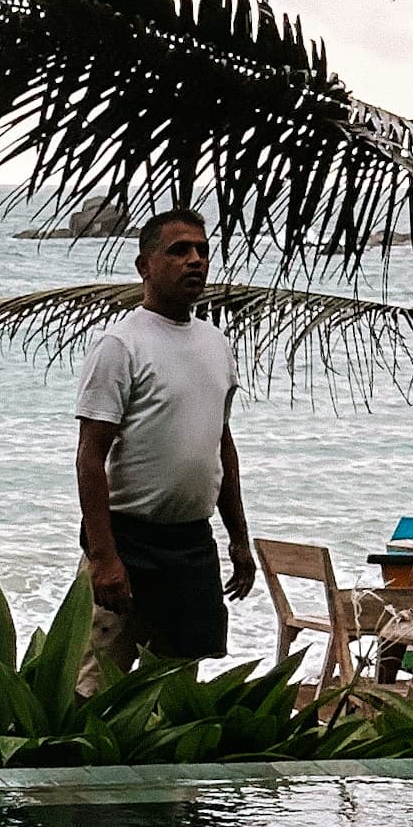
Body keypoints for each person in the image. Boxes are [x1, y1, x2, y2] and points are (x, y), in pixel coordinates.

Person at [75, 209, 255, 679]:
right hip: (127, 541)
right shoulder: (121, 345)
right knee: (96, 681)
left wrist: (239, 538)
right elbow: (90, 456)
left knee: (176, 683)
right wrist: (104, 557)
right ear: (145, 266)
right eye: (178, 251)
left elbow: (221, 446)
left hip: (191, 543)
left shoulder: (216, 344)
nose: (194, 260)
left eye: (201, 250)